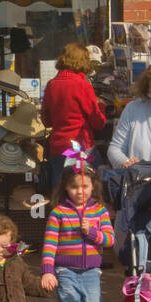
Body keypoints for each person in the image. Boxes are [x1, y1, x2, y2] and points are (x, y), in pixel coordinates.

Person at [40, 160, 114, 302]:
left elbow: (110, 240)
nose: (80, 191)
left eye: (85, 187)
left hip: (92, 272)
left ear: (93, 187)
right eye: (74, 187)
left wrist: (92, 233)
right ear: (65, 187)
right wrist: (47, 270)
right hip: (66, 271)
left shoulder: (100, 212)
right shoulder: (58, 213)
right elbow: (50, 245)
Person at [42, 42, 109, 191]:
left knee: (61, 195)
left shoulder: (51, 84)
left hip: (58, 147)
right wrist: (101, 105)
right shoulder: (82, 85)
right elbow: (98, 122)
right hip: (80, 147)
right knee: (92, 191)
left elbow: (46, 121)